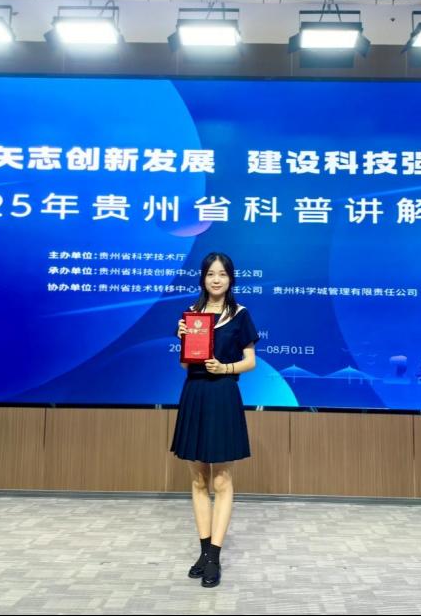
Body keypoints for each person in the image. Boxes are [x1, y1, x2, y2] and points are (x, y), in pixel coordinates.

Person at [170, 251, 259, 589]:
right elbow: (185, 364)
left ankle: (215, 557)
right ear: (203, 278)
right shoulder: (191, 315)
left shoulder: (240, 314)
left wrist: (225, 368)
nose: (216, 279)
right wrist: (183, 339)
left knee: (221, 480)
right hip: (194, 393)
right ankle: (204, 551)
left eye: (222, 274)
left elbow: (250, 361)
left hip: (223, 393)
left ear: (230, 278)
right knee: (197, 480)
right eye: (210, 274)